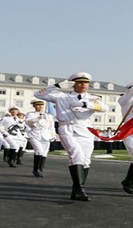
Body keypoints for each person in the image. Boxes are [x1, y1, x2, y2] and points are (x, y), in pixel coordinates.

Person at [35, 72, 107, 201]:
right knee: (76, 155)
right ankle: (80, 189)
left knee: (85, 160)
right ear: (73, 84)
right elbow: (39, 94)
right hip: (67, 128)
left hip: (85, 129)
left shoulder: (93, 98)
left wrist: (86, 105)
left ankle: (77, 190)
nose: (83, 85)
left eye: (85, 82)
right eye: (79, 82)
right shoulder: (61, 96)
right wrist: (57, 86)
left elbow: (103, 107)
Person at [26, 99, 56, 177]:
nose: (40, 106)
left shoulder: (48, 116)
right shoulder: (31, 114)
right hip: (34, 134)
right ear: (34, 106)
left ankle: (40, 169)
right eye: (38, 105)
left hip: (45, 135)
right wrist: (37, 118)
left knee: (44, 153)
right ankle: (35, 169)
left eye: (41, 105)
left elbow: (51, 127)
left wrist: (53, 135)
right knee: (39, 151)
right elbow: (28, 123)